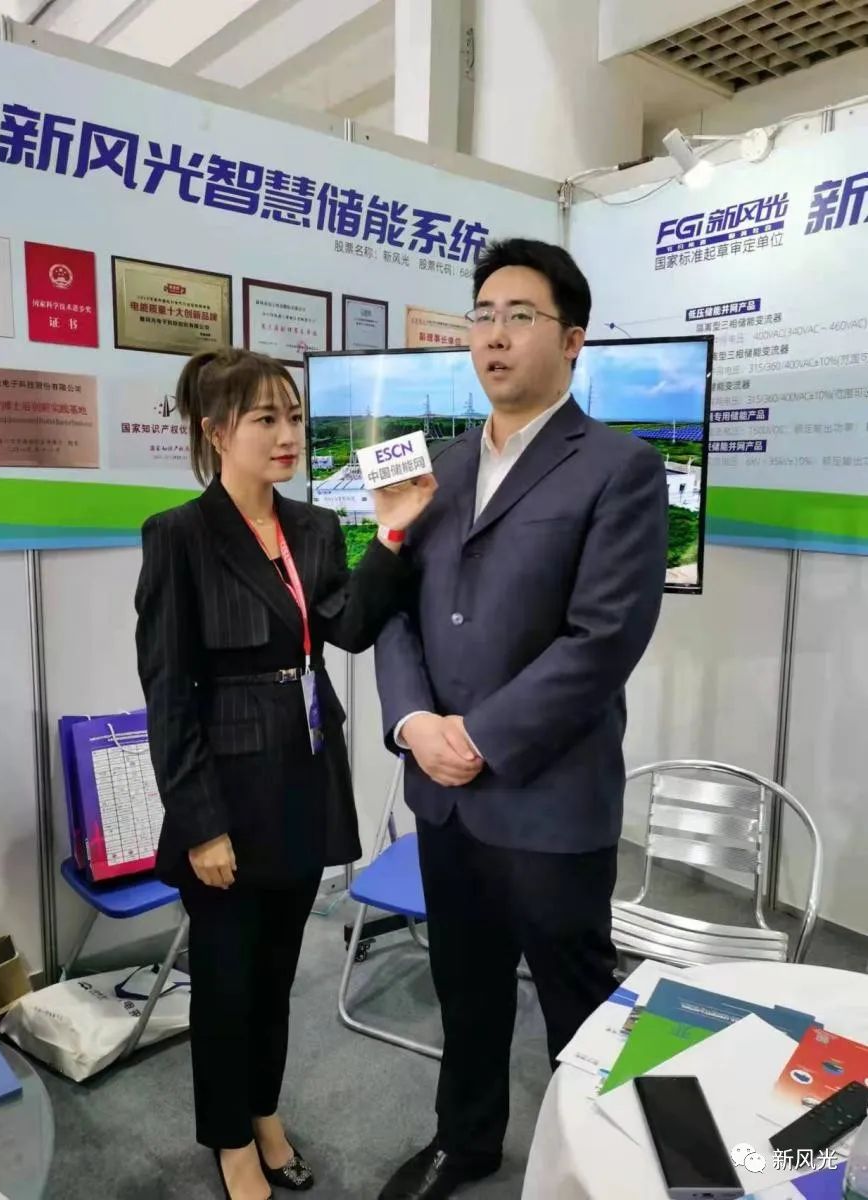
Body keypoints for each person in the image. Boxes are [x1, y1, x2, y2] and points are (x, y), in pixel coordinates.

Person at [373, 238, 668, 1199]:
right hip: (444, 796)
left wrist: (481, 736)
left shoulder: (620, 468)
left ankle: (604, 1170)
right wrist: (415, 722)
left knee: (581, 1004)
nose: (494, 336)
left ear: (572, 340)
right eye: (482, 316)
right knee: (465, 988)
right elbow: (393, 609)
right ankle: (465, 1142)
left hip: (549, 798)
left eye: (520, 317)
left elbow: (603, 637)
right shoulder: (436, 468)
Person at [134, 347, 436, 1200]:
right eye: (265, 419)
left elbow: (348, 628)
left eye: (294, 417)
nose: (287, 434)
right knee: (225, 983)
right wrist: (201, 824)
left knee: (275, 976)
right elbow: (168, 693)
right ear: (216, 432)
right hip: (225, 797)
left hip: (304, 778)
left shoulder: (314, 528)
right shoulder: (179, 535)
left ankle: (263, 1111)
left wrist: (391, 533)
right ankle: (230, 1140)